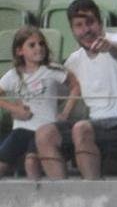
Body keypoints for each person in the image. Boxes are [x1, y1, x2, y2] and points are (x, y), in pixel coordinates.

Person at [35, 0, 117, 179]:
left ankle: (91, 193)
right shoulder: (74, 60)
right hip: (98, 127)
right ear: (72, 30)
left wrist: (109, 47)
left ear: (100, 23)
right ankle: (62, 193)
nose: (86, 30)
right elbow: (51, 89)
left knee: (82, 129)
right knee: (45, 134)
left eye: (90, 22)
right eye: (79, 25)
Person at [0, 26, 79, 179]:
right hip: (21, 129)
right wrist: (14, 109)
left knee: (31, 163)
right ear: (20, 51)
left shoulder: (53, 69)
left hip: (44, 130)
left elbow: (75, 86)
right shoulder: (13, 75)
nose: (39, 48)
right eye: (32, 45)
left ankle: (40, 192)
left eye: (41, 44)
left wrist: (65, 113)